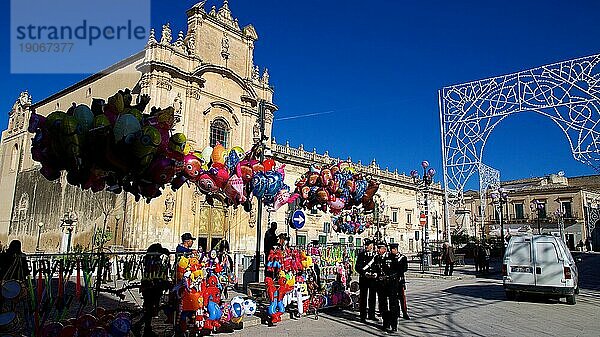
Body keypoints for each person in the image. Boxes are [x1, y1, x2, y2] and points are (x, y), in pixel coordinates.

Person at [133, 243, 171, 337]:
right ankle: (141, 327)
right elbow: (154, 276)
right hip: (151, 289)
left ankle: (145, 328)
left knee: (151, 309)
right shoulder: (152, 262)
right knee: (150, 309)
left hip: (151, 288)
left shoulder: (149, 260)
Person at [373, 242, 398, 332]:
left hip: (391, 284)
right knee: (383, 305)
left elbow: (397, 271)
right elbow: (375, 269)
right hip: (381, 285)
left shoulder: (392, 257)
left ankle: (394, 324)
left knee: (393, 305)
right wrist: (374, 274)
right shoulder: (377, 258)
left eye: (379, 248)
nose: (377, 250)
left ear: (384, 249)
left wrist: (388, 277)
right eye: (377, 248)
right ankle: (385, 322)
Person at [355, 238, 377, 322]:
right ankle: (362, 316)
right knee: (363, 297)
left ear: (372, 246)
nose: (366, 247)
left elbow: (378, 266)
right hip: (364, 279)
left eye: (368, 245)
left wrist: (376, 273)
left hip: (373, 279)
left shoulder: (375, 256)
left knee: (372, 297)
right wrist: (365, 273)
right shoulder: (361, 255)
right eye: (365, 245)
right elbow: (357, 267)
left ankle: (371, 314)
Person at [390, 243, 410, 320]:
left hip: (400, 280)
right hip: (392, 280)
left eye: (393, 250)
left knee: (402, 297)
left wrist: (397, 270)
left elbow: (405, 268)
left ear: (396, 249)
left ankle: (404, 312)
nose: (391, 251)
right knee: (394, 297)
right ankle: (396, 312)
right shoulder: (390, 258)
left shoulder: (403, 258)